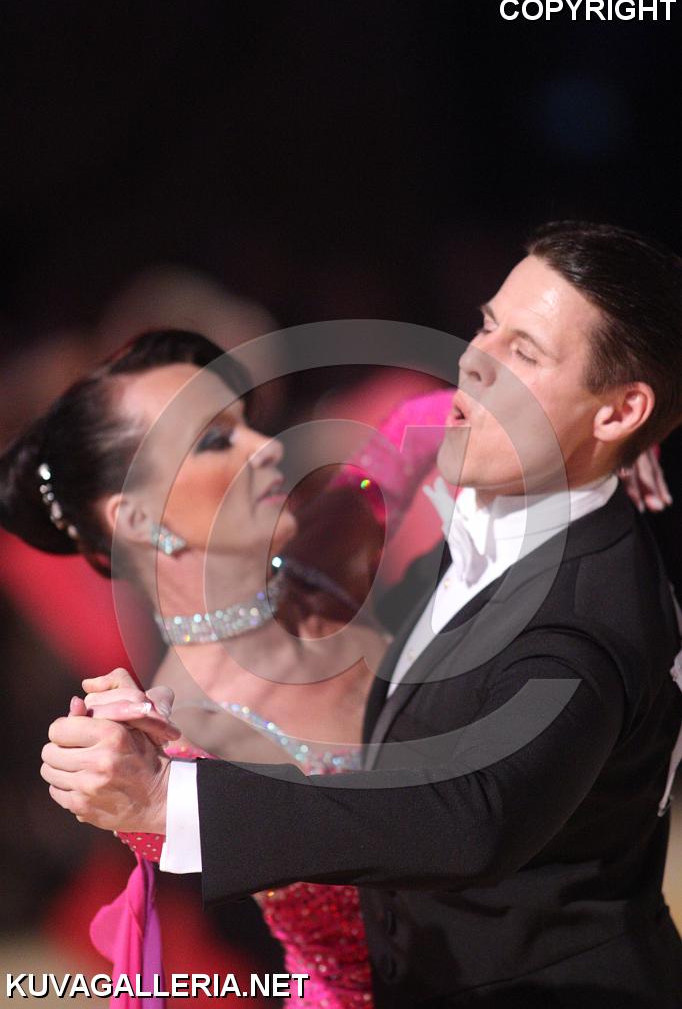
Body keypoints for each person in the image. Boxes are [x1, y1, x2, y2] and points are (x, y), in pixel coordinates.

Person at [35, 222, 682, 1006]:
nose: (267, 446)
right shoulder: (191, 708)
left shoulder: (553, 607)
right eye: (486, 325)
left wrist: (598, 442)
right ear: (137, 518)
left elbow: (472, 818)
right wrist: (593, 435)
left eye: (525, 350)